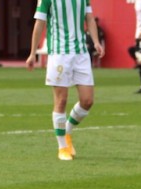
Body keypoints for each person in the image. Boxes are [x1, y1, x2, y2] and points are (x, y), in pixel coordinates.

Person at [26, 0, 104, 161]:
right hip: (59, 54)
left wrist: (96, 42)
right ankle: (62, 147)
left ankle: (67, 130)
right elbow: (39, 23)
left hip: (81, 53)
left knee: (87, 100)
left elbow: (89, 18)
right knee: (61, 101)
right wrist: (33, 53)